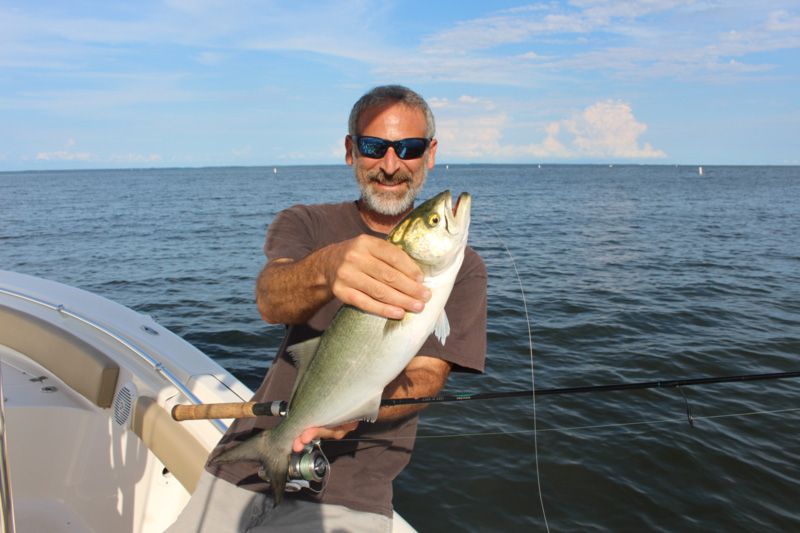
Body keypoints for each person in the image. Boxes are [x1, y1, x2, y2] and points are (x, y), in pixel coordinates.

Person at [166, 85, 487, 532]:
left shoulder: (464, 270)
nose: (390, 165)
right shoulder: (306, 222)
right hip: (243, 463)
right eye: (373, 147)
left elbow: (427, 376)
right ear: (351, 150)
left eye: (408, 148)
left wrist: (348, 409)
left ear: (429, 154)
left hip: (350, 492)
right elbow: (270, 299)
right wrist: (328, 267)